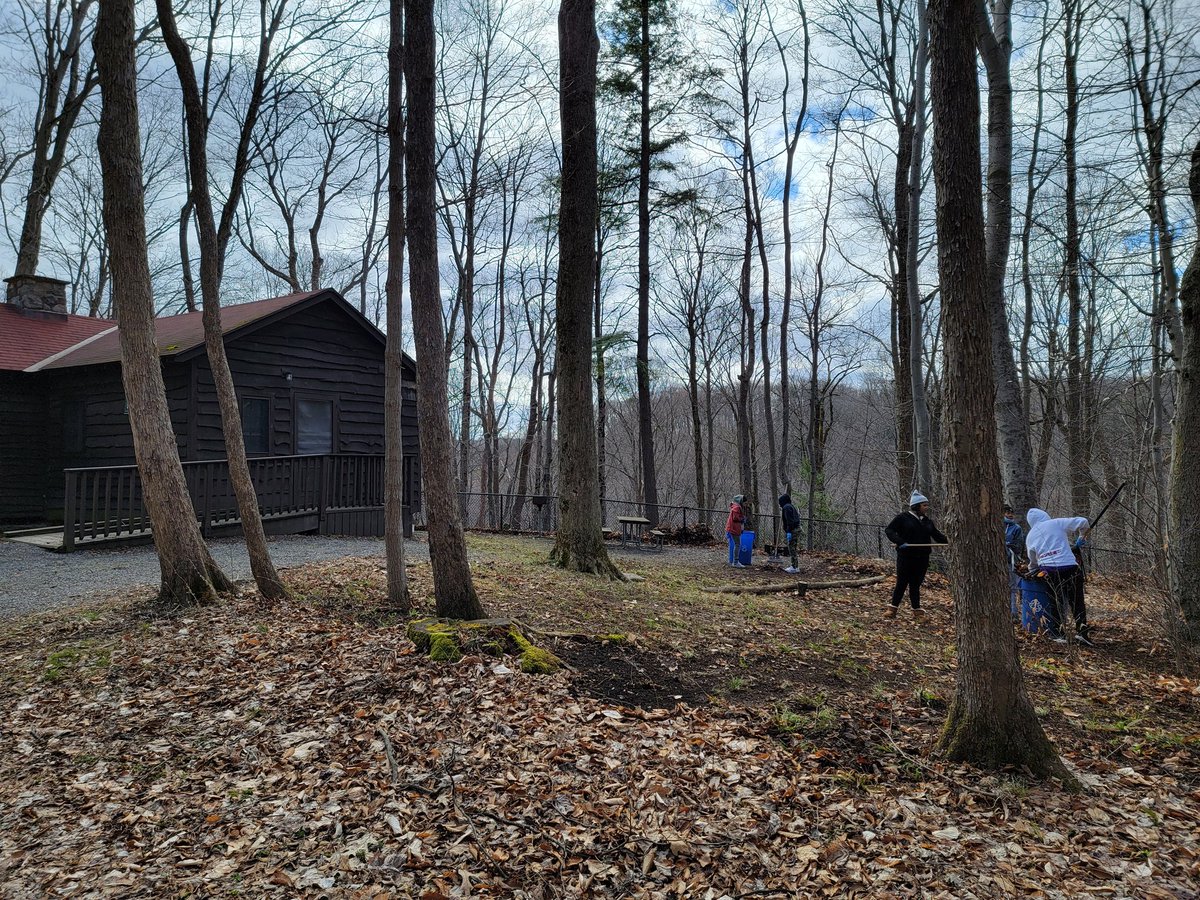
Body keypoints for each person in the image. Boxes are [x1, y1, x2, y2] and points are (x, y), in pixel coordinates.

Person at [1025, 508, 1093, 646]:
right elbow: (1083, 522)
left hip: (1049, 571)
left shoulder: (1030, 535)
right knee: (1076, 601)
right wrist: (1081, 537)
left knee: (1056, 601)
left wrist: (1032, 570)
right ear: (1045, 516)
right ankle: (1082, 633)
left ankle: (1057, 633)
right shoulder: (1056, 523)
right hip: (1070, 567)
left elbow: (1033, 560)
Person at [884, 491, 948, 620]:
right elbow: (889, 530)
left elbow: (936, 535)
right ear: (916, 506)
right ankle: (892, 609)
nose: (926, 508)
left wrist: (950, 541)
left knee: (915, 584)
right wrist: (899, 541)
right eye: (924, 505)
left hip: (923, 557)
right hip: (906, 557)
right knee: (901, 583)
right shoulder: (903, 518)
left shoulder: (927, 521)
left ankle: (917, 611)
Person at [1003, 504, 1026, 620]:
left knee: (1013, 586)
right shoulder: (997, 525)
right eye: (1007, 512)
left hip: (1011, 560)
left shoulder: (1016, 528)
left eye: (1011, 513)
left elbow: (1018, 546)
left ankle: (1014, 612)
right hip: (997, 561)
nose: (1009, 515)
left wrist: (1007, 547)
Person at [778, 494, 802, 573]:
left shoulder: (787, 508)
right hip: (796, 528)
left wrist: (788, 531)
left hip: (793, 530)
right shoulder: (790, 506)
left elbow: (789, 521)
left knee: (792, 548)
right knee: (793, 547)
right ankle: (795, 566)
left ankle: (794, 567)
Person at [726, 495, 747, 567]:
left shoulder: (735, 507)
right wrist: (742, 519)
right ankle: (735, 562)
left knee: (734, 544)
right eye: (743, 502)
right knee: (737, 544)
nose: (744, 504)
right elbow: (735, 518)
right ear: (740, 501)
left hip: (731, 528)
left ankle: (732, 560)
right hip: (734, 528)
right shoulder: (737, 508)